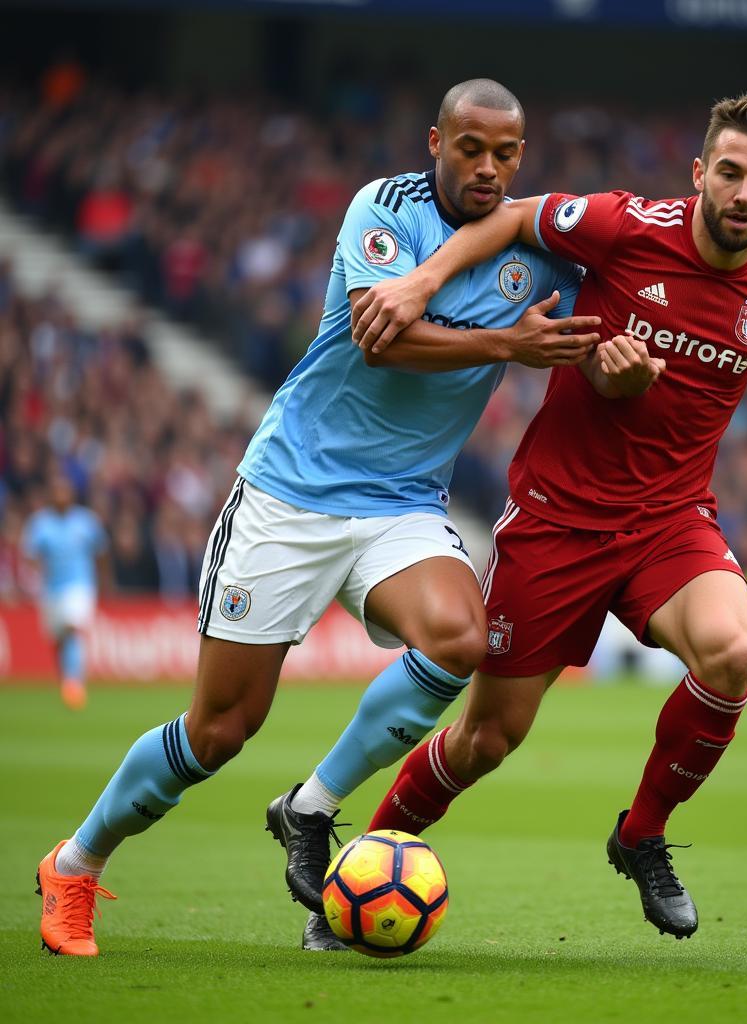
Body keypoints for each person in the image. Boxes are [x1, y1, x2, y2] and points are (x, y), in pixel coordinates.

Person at [35, 78, 608, 957]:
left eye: (505, 153)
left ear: (522, 156)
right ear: (435, 142)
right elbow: (383, 337)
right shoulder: (383, 210)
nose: (488, 167)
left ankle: (310, 805)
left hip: (402, 506)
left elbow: (593, 342)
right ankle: (75, 864)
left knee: (462, 637)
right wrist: (506, 344)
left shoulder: (544, 251)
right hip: (289, 496)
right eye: (470, 148)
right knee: (221, 728)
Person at [350, 91, 747, 940]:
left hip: (670, 521)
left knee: (733, 652)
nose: (742, 193)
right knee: (487, 741)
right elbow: (513, 220)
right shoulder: (621, 224)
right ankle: (376, 856)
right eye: (728, 173)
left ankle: (642, 833)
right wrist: (423, 281)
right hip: (556, 519)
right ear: (699, 174)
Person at [22, 472, 109, 710]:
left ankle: (74, 683)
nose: (61, 496)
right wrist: (32, 577)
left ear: (71, 495)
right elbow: (30, 557)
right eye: (57, 492)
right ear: (51, 496)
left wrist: (105, 582)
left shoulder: (85, 522)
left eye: (65, 491)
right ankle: (66, 680)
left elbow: (101, 553)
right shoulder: (40, 525)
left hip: (80, 587)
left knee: (73, 629)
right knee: (59, 638)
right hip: (51, 590)